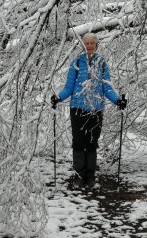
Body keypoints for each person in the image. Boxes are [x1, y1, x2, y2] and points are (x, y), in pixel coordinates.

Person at [51, 32, 127, 186]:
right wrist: (58, 97)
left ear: (96, 45)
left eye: (92, 43)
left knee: (92, 143)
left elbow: (107, 87)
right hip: (78, 109)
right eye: (87, 43)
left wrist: (118, 101)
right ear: (83, 45)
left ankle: (90, 176)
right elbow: (69, 87)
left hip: (96, 110)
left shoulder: (102, 63)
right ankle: (79, 175)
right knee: (78, 142)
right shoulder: (76, 63)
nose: (89, 46)